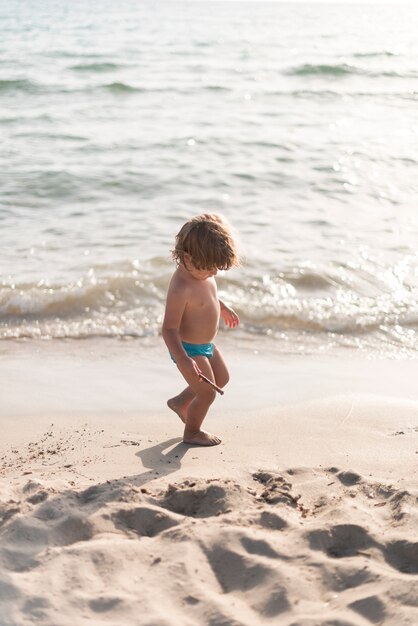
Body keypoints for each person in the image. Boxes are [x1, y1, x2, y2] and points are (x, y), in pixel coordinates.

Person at [162, 214, 240, 446]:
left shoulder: (204, 274)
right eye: (210, 267)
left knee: (222, 378)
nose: (214, 273)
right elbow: (168, 329)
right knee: (207, 394)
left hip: (206, 345)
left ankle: (180, 402)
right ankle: (192, 432)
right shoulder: (180, 287)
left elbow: (210, 297)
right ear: (188, 257)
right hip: (188, 349)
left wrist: (222, 307)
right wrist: (183, 359)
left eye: (217, 268)